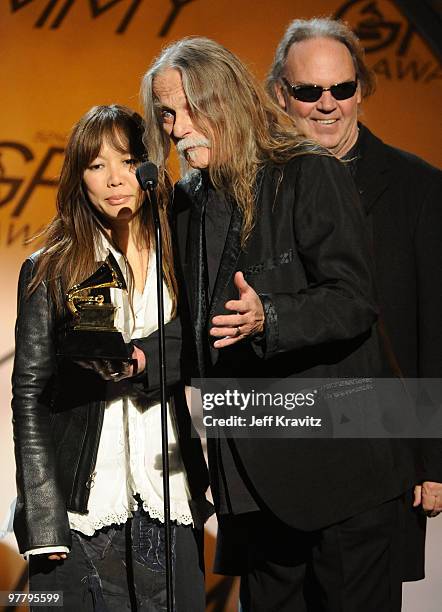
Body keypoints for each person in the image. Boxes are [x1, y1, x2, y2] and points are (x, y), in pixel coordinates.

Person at [141, 37, 426, 611]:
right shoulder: (187, 202)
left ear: (224, 100)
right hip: (254, 486)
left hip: (342, 475)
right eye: (166, 113)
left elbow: (353, 300)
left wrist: (270, 317)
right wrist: (142, 358)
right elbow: (204, 326)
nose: (174, 128)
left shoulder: (307, 173)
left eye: (186, 108)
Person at [11, 104, 211, 611]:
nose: (115, 180)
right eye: (97, 165)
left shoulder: (181, 254)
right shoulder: (55, 267)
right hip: (82, 515)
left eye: (126, 161)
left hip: (170, 498)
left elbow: (200, 345)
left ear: (149, 168)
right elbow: (30, 395)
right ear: (79, 177)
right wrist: (42, 516)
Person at [267, 15, 442, 581]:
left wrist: (433, 458)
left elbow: (435, 329)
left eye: (341, 89)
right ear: (280, 95)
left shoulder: (418, 189)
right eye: (308, 91)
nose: (327, 105)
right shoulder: (254, 188)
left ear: (361, 90)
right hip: (280, 463)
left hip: (379, 460)